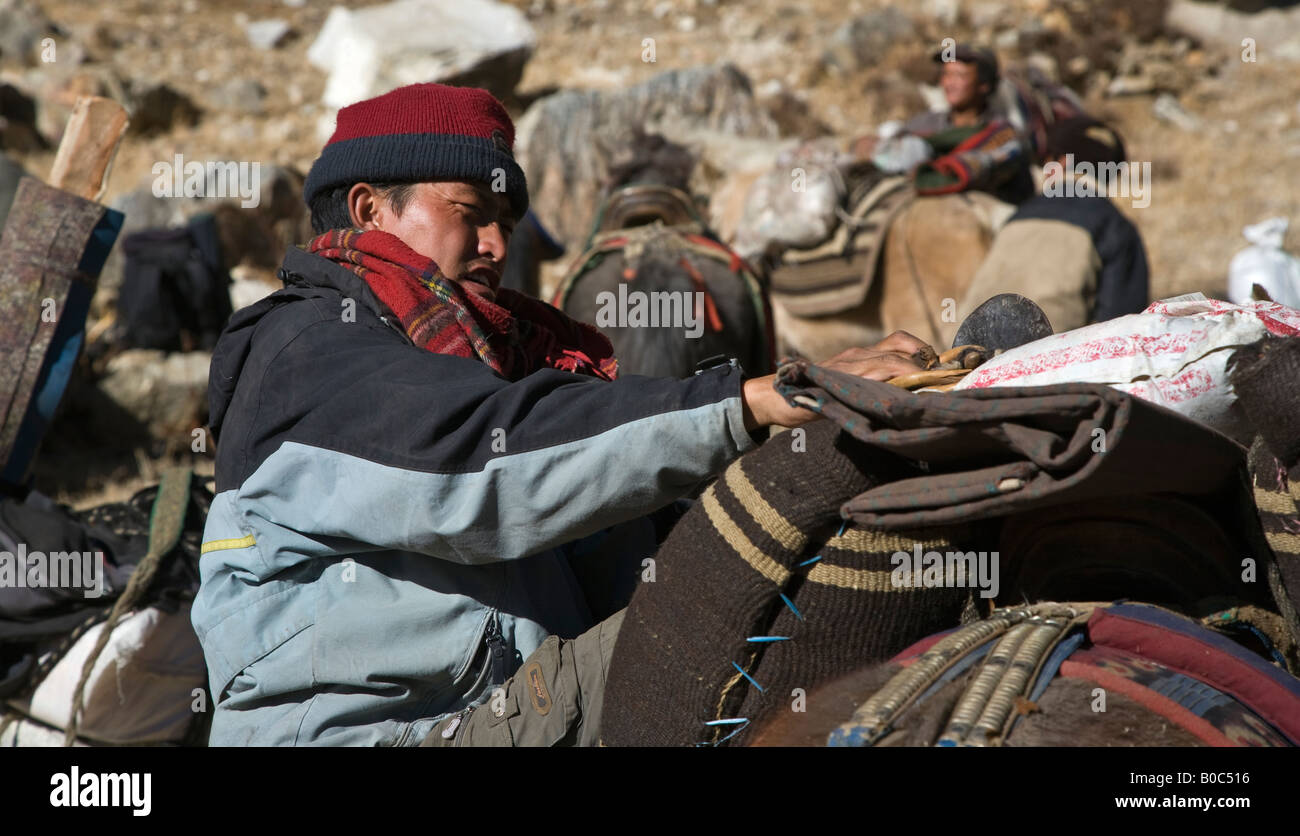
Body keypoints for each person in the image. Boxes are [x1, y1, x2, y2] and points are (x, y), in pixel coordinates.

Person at [190, 82, 929, 746]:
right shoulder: (306, 344)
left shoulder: (505, 366)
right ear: (369, 209)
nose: (497, 245)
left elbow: (628, 535)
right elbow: (476, 462)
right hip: (388, 737)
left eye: (506, 223)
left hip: (499, 711)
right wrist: (749, 401)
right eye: (471, 214)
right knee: (721, 641)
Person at [958, 115, 1150, 333]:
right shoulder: (1116, 226)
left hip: (966, 358)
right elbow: (1124, 327)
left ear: (1061, 162)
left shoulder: (1016, 217)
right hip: (1047, 359)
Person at [859, 43, 1035, 205]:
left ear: (984, 85)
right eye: (946, 74)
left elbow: (987, 167)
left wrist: (933, 171)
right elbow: (884, 148)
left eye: (960, 75)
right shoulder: (926, 123)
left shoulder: (1002, 135)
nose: (949, 83)